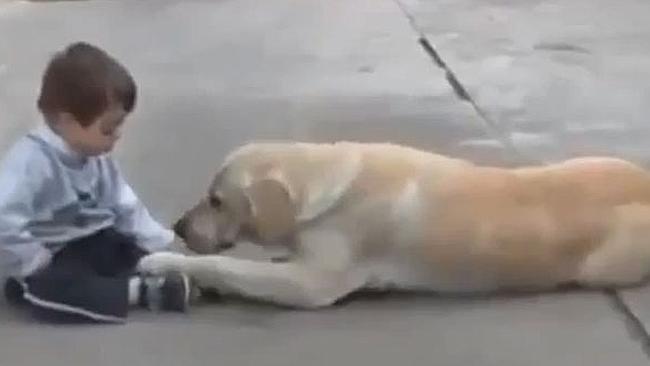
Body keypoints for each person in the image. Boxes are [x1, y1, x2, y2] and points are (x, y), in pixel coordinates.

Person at [0, 42, 189, 324]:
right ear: (67, 122)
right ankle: (138, 292)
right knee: (55, 289)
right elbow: (4, 218)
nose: (117, 135)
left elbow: (124, 204)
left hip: (94, 239)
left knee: (127, 248)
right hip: (53, 253)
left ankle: (160, 276)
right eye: (108, 128)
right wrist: (32, 261)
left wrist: (159, 245)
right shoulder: (31, 163)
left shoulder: (96, 156)